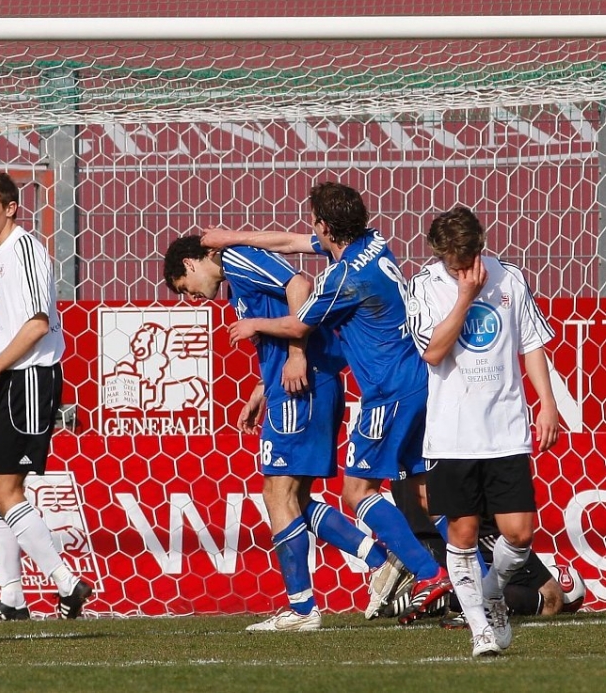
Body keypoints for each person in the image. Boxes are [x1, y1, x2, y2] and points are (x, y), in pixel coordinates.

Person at [201, 182, 452, 622]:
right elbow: (290, 243)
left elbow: (300, 325)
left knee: (356, 492)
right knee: (423, 493)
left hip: (389, 389)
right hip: (416, 380)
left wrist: (254, 323)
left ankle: (427, 574)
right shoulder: (372, 244)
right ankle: (480, 581)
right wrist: (233, 238)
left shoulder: (343, 279)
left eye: (313, 218)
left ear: (325, 224)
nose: (309, 227)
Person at [163, 235, 400, 631]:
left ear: (189, 264)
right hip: (289, 387)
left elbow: (299, 286)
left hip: (303, 383)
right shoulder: (236, 282)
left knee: (277, 493)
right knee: (293, 498)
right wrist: (261, 388)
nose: (193, 298)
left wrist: (296, 355)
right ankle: (382, 565)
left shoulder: (238, 259)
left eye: (185, 289)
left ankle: (303, 609)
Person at [406, 205, 559, 657]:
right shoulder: (425, 286)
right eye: (451, 261)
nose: (460, 267)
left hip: (505, 427)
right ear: (439, 255)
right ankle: (481, 630)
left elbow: (531, 344)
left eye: (466, 258)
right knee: (464, 533)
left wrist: (546, 403)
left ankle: (491, 592)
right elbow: (433, 352)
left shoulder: (508, 277)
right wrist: (464, 298)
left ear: (480, 246)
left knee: (519, 533)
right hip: (453, 434)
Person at [0, 171, 92, 621]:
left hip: (29, 378)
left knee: (4, 488)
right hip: (11, 378)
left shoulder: (24, 250)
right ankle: (11, 599)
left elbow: (38, 323)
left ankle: (65, 582)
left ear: (11, 208)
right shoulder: (0, 254)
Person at [386, 478, 566, 621]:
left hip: (421, 530)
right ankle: (449, 596)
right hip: (469, 523)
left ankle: (431, 585)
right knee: (552, 598)